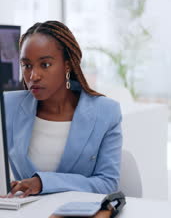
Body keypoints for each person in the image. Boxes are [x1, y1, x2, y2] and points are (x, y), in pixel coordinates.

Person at [3, 21, 122, 198]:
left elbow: (107, 183)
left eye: (45, 65)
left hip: (75, 213)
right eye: (27, 66)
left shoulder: (105, 112)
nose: (33, 76)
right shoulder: (8, 106)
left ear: (67, 65)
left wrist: (43, 183)